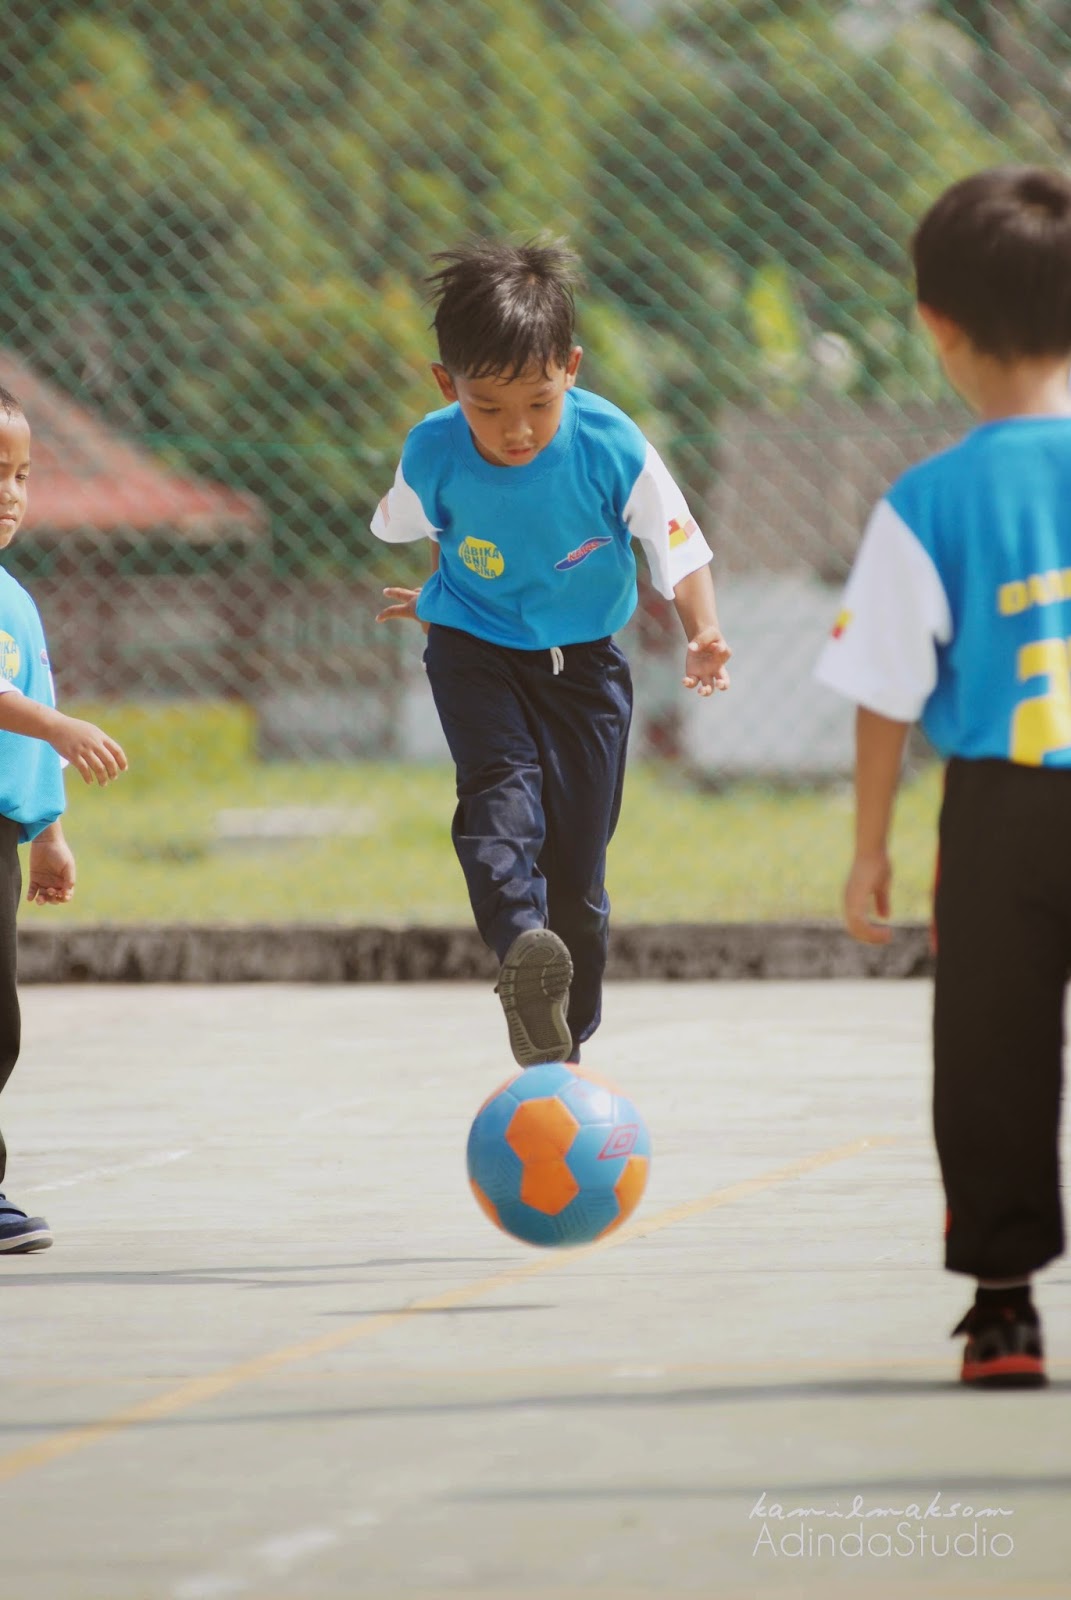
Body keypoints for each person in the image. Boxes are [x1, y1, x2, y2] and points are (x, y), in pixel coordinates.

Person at [815, 166, 1071, 1388]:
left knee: (990, 1048)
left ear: (937, 324)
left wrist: (871, 843)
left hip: (1004, 808)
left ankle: (1005, 1305)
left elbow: (886, 689)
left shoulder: (927, 499)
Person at [373, 238, 730, 1067]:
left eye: (537, 402)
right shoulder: (431, 450)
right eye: (487, 407)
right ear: (447, 386)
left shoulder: (611, 445)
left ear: (570, 368)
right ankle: (520, 946)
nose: (516, 430)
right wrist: (441, 601)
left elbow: (677, 546)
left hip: (584, 668)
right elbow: (430, 528)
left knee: (577, 872)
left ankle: (564, 1046)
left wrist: (702, 630)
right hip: (473, 650)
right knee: (497, 797)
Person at [0, 384, 128, 1253]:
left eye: (20, 475)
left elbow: (29, 701)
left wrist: (48, 833)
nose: (9, 493)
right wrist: (58, 725)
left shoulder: (15, 596)